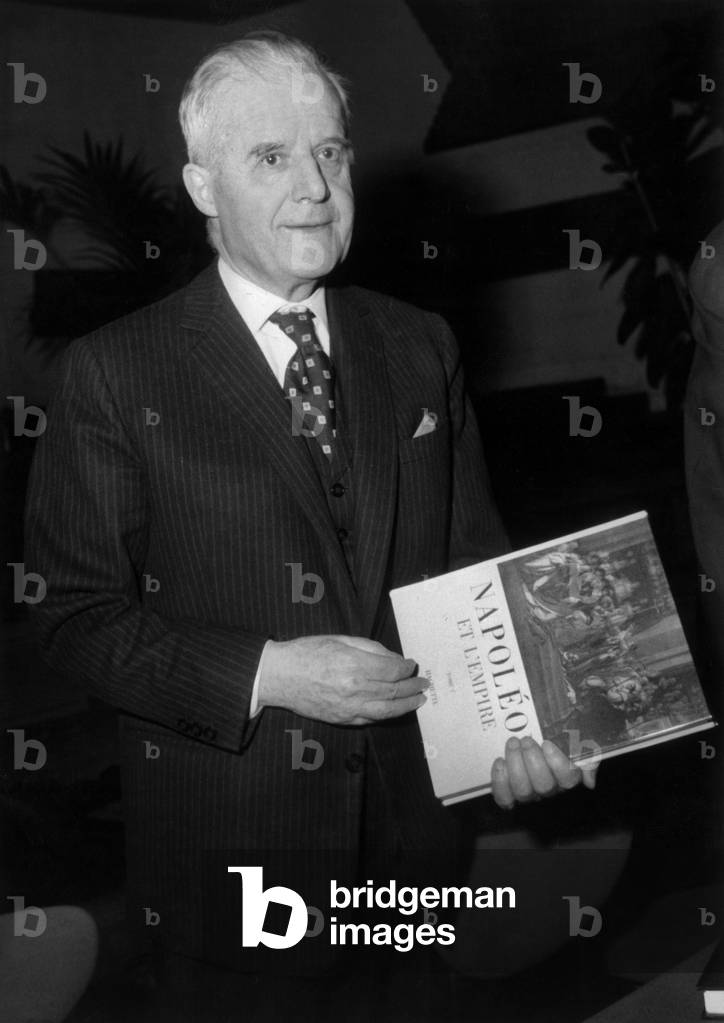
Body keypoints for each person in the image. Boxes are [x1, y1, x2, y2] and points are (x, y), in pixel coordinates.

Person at [24, 30, 596, 1017]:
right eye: (271, 156)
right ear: (203, 187)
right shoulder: (114, 373)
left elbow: (475, 565)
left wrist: (526, 727)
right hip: (233, 866)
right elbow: (74, 618)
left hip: (418, 852)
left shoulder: (417, 343)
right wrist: (273, 673)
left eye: (329, 151)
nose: (315, 187)